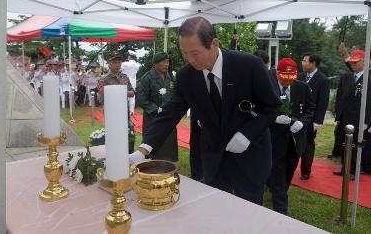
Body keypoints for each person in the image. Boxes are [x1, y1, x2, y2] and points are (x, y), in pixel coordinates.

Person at [129, 16, 281, 205]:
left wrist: (247, 134)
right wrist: (143, 150)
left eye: (195, 53)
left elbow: (272, 106)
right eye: (185, 54)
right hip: (214, 159)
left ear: (214, 44)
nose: (190, 60)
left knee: (247, 213)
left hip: (250, 156)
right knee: (215, 209)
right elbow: (170, 112)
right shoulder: (186, 76)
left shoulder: (249, 66)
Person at [267, 58, 315, 215]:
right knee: (277, 170)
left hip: (295, 140)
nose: (287, 81)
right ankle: (281, 208)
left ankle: (279, 190)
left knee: (288, 170)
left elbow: (310, 108)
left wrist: (303, 122)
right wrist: (273, 118)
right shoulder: (268, 85)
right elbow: (260, 106)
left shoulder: (302, 87)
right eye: (284, 77)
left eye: (291, 78)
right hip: (274, 138)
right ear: (278, 73)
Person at [333, 49, 371, 179]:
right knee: (342, 142)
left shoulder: (370, 81)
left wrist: (365, 122)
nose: (352, 65)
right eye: (351, 62)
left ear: (363, 62)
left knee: (354, 146)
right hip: (344, 116)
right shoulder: (346, 77)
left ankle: (353, 170)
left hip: (357, 118)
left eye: (356, 63)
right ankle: (344, 167)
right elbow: (339, 96)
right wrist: (338, 113)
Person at [136, 52, 178, 162]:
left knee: (169, 142)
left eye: (168, 61)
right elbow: (141, 99)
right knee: (154, 143)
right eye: (164, 62)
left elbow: (174, 93)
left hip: (168, 116)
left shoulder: (169, 76)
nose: (167, 64)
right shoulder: (147, 78)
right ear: (156, 63)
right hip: (153, 118)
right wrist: (156, 109)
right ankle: (152, 165)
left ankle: (168, 164)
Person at [298, 53, 330, 180]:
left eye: (305, 61)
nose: (303, 63)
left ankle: (306, 170)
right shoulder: (300, 76)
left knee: (308, 144)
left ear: (313, 63)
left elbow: (323, 102)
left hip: (311, 119)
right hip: (298, 116)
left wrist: (318, 121)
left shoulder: (323, 80)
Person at [98, 54, 136, 153]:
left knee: (129, 134)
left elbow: (132, 93)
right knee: (114, 137)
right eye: (114, 62)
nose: (117, 64)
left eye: (119, 62)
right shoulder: (104, 79)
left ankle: (129, 155)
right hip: (112, 113)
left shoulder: (125, 77)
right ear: (109, 64)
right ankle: (114, 155)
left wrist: (122, 92)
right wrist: (116, 94)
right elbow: (101, 98)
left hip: (124, 112)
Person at [121, 50, 141, 115]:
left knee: (125, 95)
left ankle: (124, 109)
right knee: (132, 96)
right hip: (133, 81)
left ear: (129, 56)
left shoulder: (124, 64)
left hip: (125, 80)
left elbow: (120, 70)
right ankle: (132, 111)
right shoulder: (138, 65)